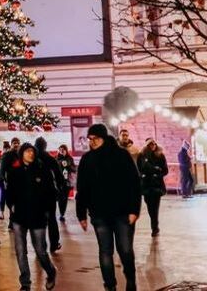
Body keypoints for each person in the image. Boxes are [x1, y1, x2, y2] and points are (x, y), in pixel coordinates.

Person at [76, 124, 141, 291]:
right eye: (90, 139)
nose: (92, 142)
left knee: (125, 250)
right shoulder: (87, 160)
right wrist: (81, 214)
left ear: (104, 138)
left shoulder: (121, 155)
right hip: (99, 214)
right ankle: (110, 286)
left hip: (123, 213)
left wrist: (134, 210)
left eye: (95, 139)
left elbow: (134, 183)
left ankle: (131, 281)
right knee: (105, 251)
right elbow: (82, 188)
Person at [5, 143, 58, 291]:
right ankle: (25, 282)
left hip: (38, 216)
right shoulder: (14, 171)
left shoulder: (42, 170)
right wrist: (12, 205)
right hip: (19, 217)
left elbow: (51, 192)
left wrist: (47, 210)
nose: (31, 154)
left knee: (40, 250)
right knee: (20, 250)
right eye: (27, 151)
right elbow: (9, 192)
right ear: (21, 154)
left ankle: (50, 271)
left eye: (32, 151)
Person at [34, 136, 64, 252]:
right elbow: (59, 176)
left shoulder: (32, 159)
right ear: (45, 146)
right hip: (49, 193)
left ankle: (40, 245)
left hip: (36, 194)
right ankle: (54, 243)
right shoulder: (50, 159)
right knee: (52, 219)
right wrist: (61, 189)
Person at [136, 138, 168, 236]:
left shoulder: (160, 155)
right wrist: (142, 175)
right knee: (150, 207)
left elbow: (165, 170)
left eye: (154, 144)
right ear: (147, 145)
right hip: (146, 185)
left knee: (155, 207)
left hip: (156, 185)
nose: (153, 145)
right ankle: (155, 224)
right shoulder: (141, 156)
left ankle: (155, 227)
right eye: (151, 144)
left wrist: (157, 174)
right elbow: (139, 168)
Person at [0, 137, 21, 218]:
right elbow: (2, 168)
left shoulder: (20, 155)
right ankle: (2, 211)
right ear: (11, 144)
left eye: (18, 143)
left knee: (15, 200)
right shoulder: (7, 155)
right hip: (7, 180)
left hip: (17, 181)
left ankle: (12, 218)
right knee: (5, 196)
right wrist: (2, 179)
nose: (16, 144)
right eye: (14, 143)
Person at [55, 144, 76, 222]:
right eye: (60, 150)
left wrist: (68, 166)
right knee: (60, 198)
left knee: (65, 198)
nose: (61, 151)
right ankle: (61, 213)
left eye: (63, 150)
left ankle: (62, 213)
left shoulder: (70, 158)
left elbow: (74, 169)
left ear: (66, 150)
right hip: (59, 182)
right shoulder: (56, 159)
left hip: (67, 181)